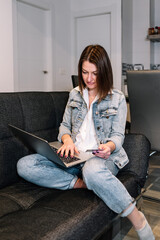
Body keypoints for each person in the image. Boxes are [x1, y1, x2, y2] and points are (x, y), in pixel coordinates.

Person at [17, 45, 154, 240]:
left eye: (95, 73)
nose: (89, 78)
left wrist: (109, 147)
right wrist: (66, 141)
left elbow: (118, 135)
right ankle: (80, 183)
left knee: (92, 170)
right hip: (74, 157)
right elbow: (64, 126)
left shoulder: (117, 99)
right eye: (84, 72)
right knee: (25, 164)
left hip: (100, 160)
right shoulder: (74, 94)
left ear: (104, 72)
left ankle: (136, 217)